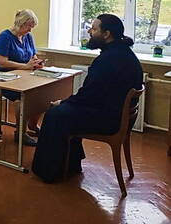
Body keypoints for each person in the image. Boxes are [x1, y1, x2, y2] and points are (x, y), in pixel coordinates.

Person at [32, 14, 143, 183]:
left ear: (106, 34)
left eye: (94, 29)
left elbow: (88, 95)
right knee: (65, 111)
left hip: (109, 120)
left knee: (55, 114)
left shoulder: (107, 60)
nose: (90, 32)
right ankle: (71, 164)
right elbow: (94, 94)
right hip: (119, 116)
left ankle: (49, 171)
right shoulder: (125, 54)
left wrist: (62, 102)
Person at [0, 9, 44, 146]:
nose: (30, 30)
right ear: (21, 23)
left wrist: (36, 62)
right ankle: (20, 133)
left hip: (21, 75)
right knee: (22, 97)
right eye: (29, 26)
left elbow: (33, 56)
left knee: (41, 93)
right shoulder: (4, 37)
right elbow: (2, 62)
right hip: (0, 75)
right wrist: (25, 66)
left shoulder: (28, 37)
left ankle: (32, 125)